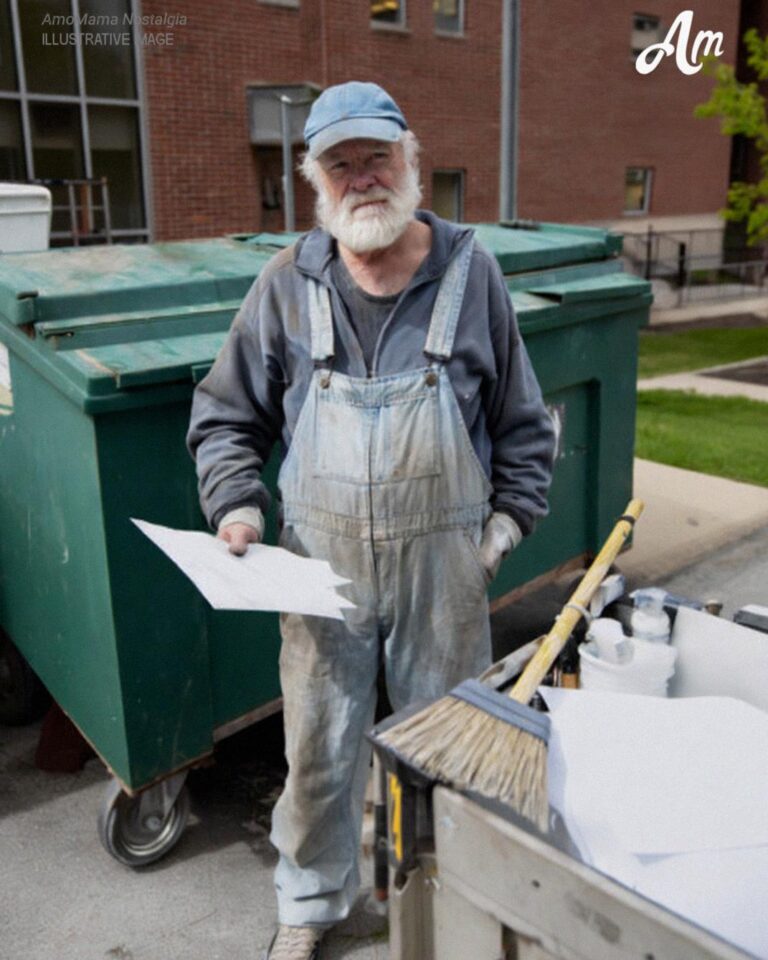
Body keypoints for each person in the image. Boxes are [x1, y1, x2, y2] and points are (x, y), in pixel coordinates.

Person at [187, 80, 556, 960]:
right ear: (316, 181)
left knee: (446, 750)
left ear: (411, 162)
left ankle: (451, 904)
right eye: (340, 165)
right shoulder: (286, 283)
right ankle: (310, 906)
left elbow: (523, 423)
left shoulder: (473, 276)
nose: (362, 180)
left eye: (376, 159)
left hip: (444, 574)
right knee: (317, 752)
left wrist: (502, 530)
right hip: (322, 574)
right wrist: (236, 506)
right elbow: (226, 418)